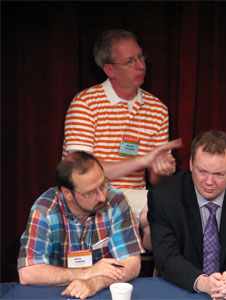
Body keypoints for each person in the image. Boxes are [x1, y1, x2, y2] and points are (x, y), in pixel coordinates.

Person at [62, 29, 182, 250]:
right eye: (130, 61)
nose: (140, 65)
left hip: (137, 200)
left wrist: (161, 169)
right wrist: (143, 161)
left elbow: (155, 180)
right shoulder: (86, 104)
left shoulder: (157, 109)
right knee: (165, 207)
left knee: (170, 206)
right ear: (109, 69)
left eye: (140, 57)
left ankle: (154, 264)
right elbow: (81, 172)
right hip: (91, 195)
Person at [148, 130, 226, 299]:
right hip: (185, 289)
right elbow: (166, 256)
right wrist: (203, 283)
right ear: (191, 164)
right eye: (202, 171)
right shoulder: (164, 197)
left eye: (219, 174)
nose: (208, 182)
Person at [17, 151, 144, 299]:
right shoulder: (45, 211)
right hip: (57, 293)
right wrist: (87, 272)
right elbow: (28, 272)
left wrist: (94, 283)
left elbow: (131, 263)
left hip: (102, 290)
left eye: (103, 184)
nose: (102, 196)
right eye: (90, 193)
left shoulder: (115, 201)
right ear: (68, 194)